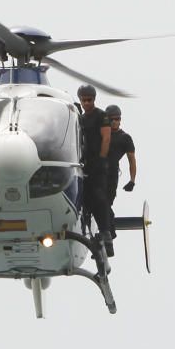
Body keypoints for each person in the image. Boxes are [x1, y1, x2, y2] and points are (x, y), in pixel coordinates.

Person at [77, 84, 114, 256]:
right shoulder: (81, 118)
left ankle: (106, 234)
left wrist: (101, 159)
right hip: (84, 163)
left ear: (94, 99)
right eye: (83, 100)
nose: (86, 103)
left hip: (97, 164)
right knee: (85, 199)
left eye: (89, 100)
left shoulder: (101, 116)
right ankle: (88, 233)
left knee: (99, 197)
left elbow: (106, 138)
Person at [104, 104, 137, 237]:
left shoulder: (125, 138)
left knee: (105, 203)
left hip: (111, 175)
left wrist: (132, 180)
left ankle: (109, 234)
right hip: (95, 172)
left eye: (116, 119)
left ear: (120, 120)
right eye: (111, 119)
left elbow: (132, 160)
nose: (114, 122)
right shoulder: (99, 133)